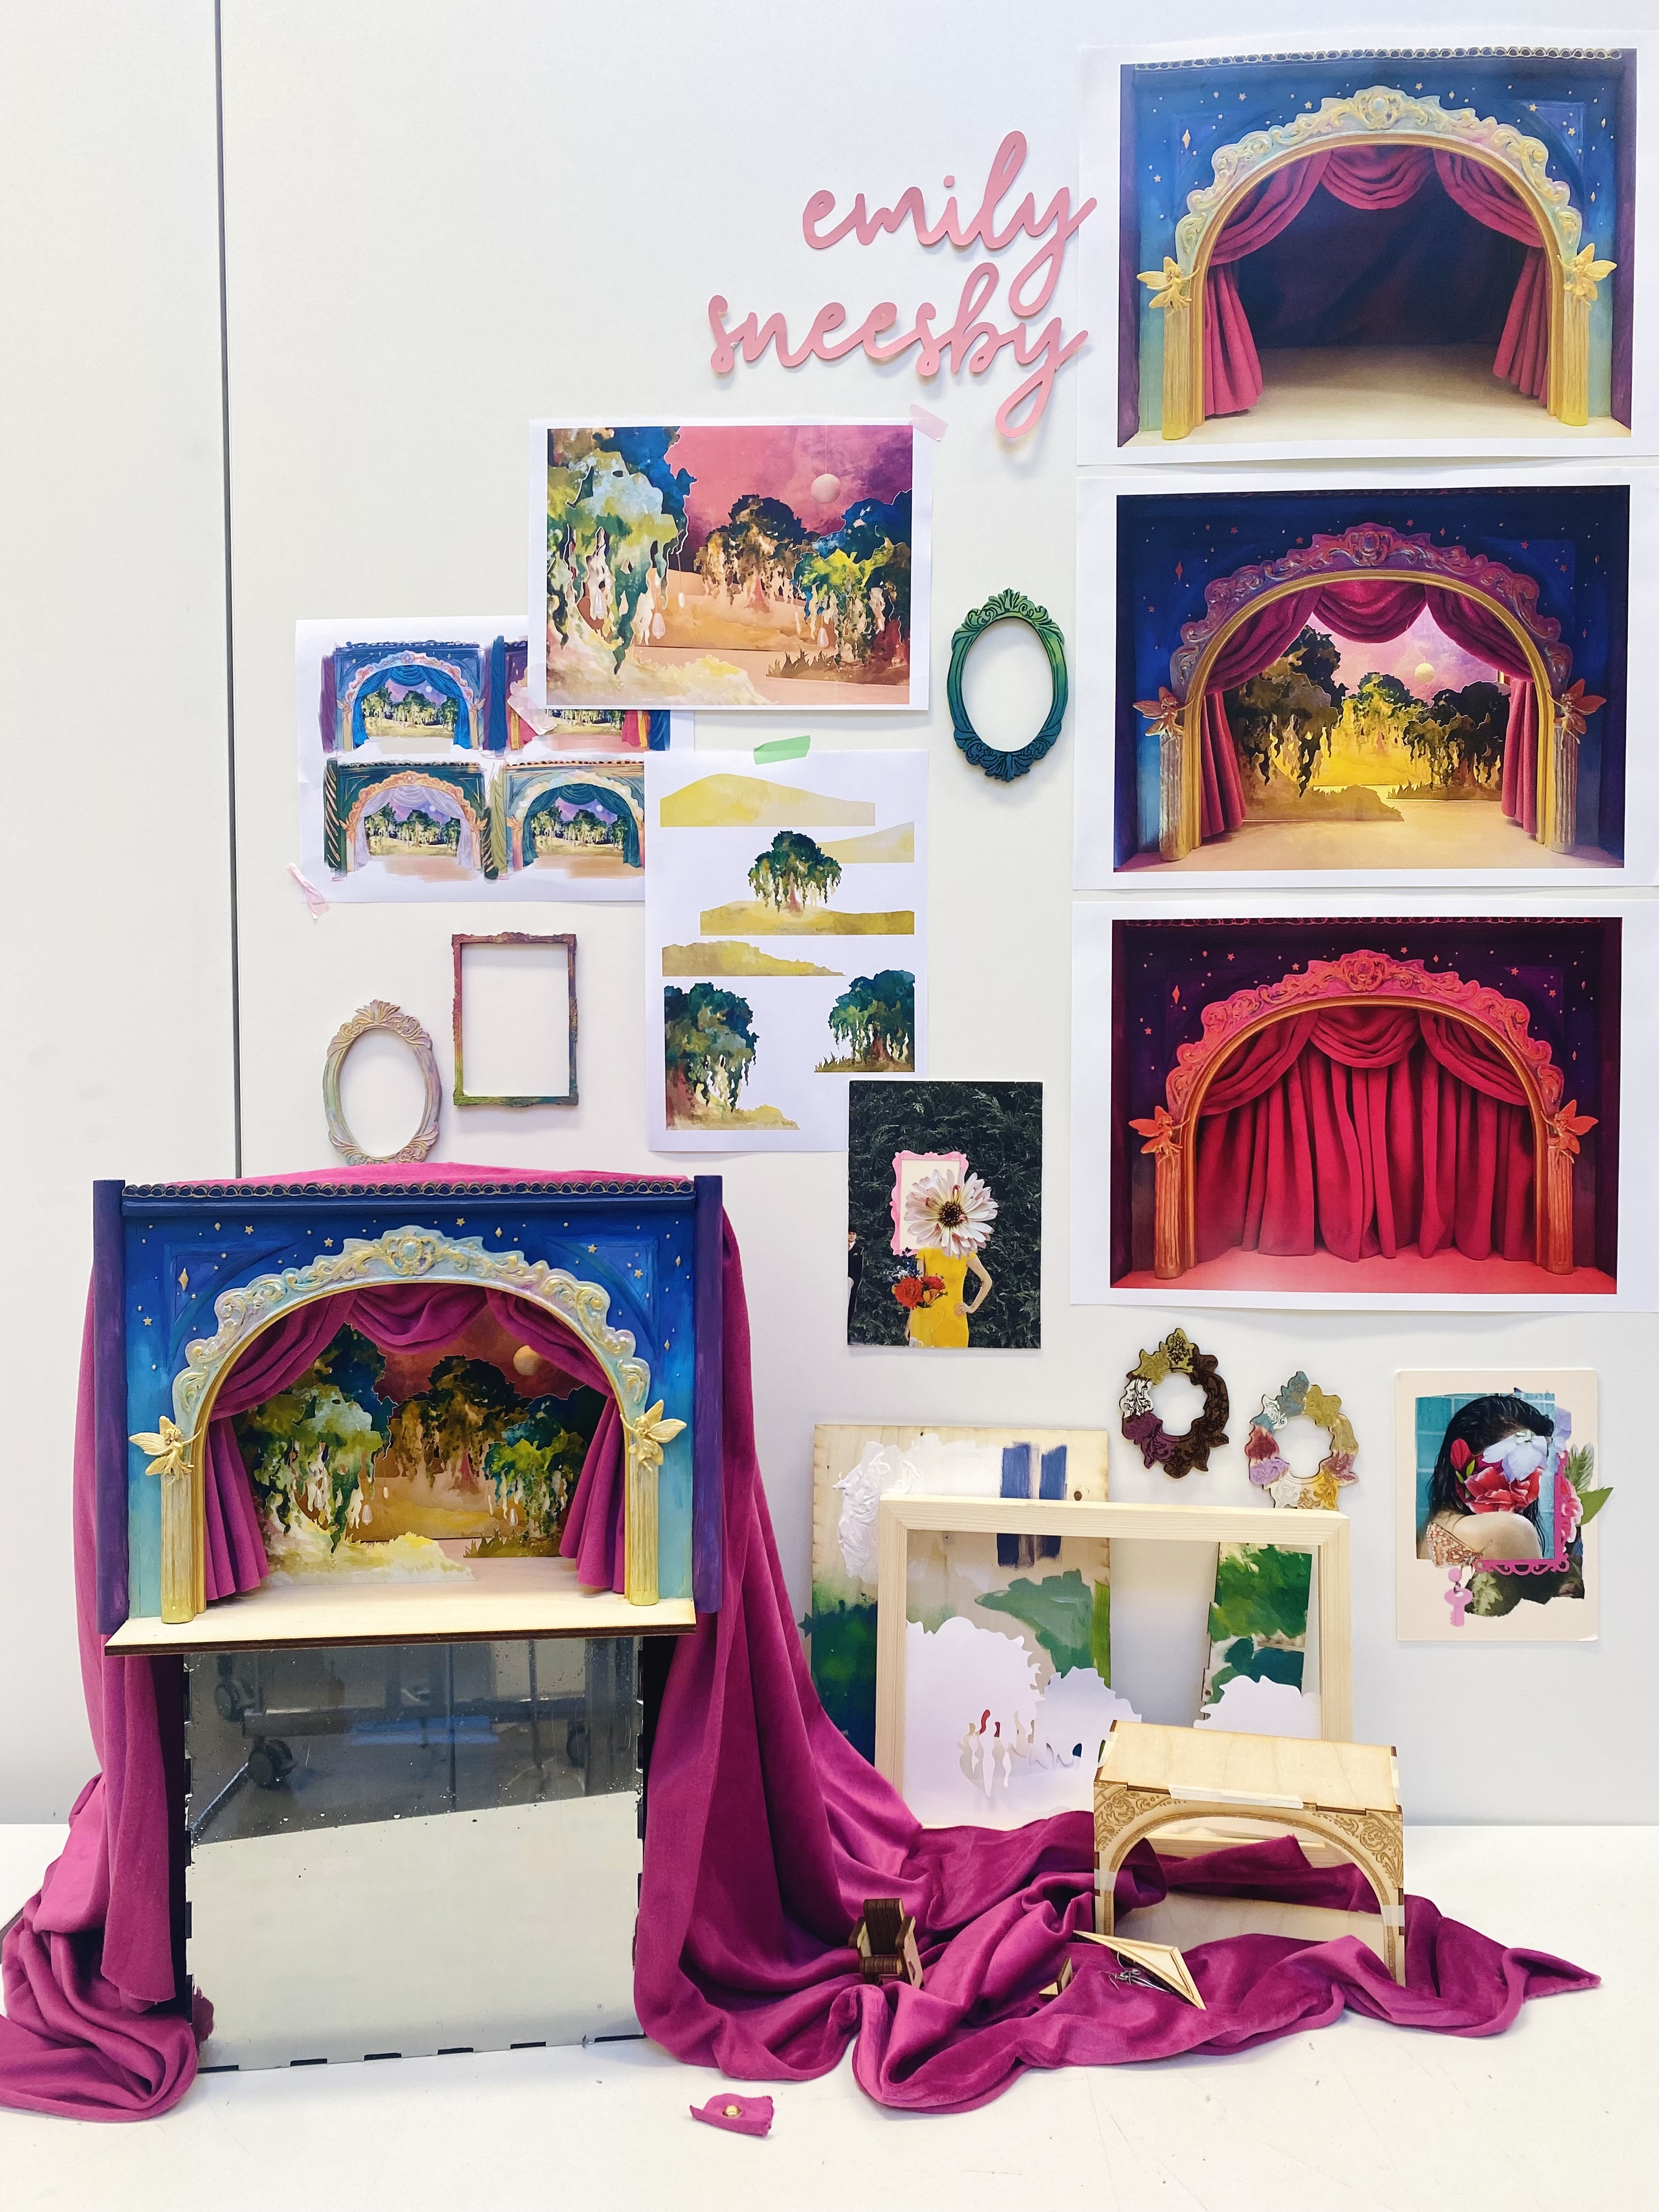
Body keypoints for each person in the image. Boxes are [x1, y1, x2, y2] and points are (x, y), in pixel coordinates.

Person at [1419, 1392, 1555, 1567]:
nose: (1528, 1483)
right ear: (1462, 1461)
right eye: (1512, 1468)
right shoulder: (1510, 1528)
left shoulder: (1433, 1528)